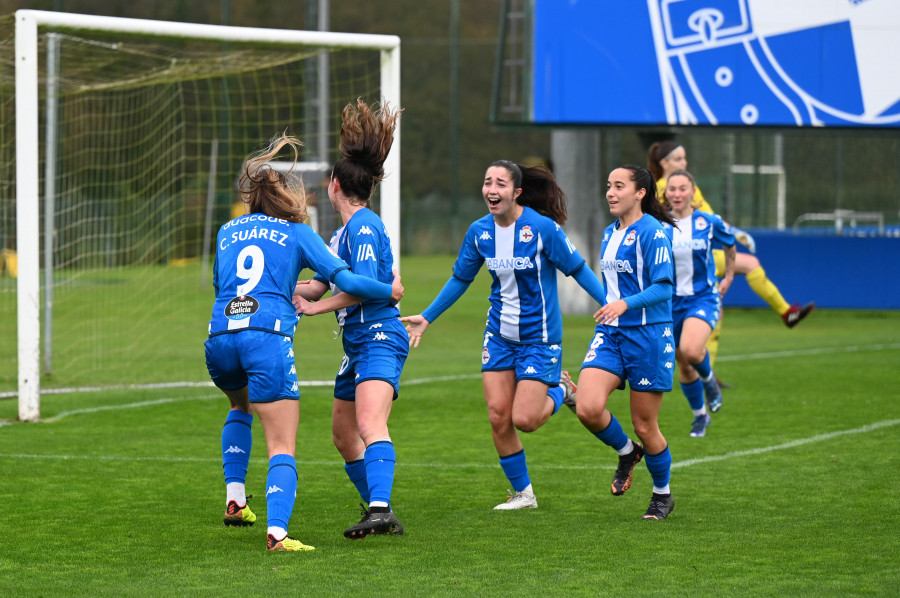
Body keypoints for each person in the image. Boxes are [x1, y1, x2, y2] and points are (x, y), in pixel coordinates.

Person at [205, 133, 404, 552]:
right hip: (267, 339)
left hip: (220, 337)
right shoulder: (297, 231)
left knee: (239, 405)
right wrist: (389, 290)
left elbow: (222, 285)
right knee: (282, 445)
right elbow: (347, 280)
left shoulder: (226, 232)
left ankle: (236, 499)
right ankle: (277, 534)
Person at [400, 160, 607, 510]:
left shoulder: (543, 229)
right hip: (498, 335)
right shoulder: (479, 232)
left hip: (539, 337)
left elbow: (578, 270)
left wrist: (611, 306)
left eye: (500, 184)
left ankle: (561, 390)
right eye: (486, 183)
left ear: (516, 192)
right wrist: (428, 317)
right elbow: (461, 279)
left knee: (524, 419)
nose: (491, 190)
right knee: (498, 415)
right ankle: (524, 494)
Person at [292, 98, 408, 539]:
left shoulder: (363, 226)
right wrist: (277, 289)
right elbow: (319, 285)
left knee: (368, 424)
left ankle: (380, 509)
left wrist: (317, 308)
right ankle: (378, 506)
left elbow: (357, 286)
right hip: (356, 344)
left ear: (334, 185)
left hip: (379, 335)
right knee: (344, 434)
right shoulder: (341, 233)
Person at [647, 141, 814, 368]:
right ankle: (785, 313)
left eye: (685, 158)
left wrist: (733, 232)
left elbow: (707, 216)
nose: (684, 163)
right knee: (750, 265)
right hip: (685, 258)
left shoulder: (683, 183)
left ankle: (709, 372)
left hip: (696, 252)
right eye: (678, 159)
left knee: (714, 312)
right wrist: (734, 233)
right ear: (664, 163)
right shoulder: (670, 186)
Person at [571, 165, 676, 520]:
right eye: (608, 186)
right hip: (612, 334)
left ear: (640, 192)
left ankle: (662, 495)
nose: (611, 193)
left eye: (619, 186)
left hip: (648, 336)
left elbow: (664, 286)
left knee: (646, 425)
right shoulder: (609, 233)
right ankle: (627, 451)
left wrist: (624, 304)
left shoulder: (653, 233)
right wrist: (614, 308)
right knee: (586, 407)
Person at [664, 170, 736, 435]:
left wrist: (728, 275)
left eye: (683, 188)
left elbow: (730, 244)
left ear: (693, 192)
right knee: (683, 362)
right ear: (666, 193)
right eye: (673, 189)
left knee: (692, 351)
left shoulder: (708, 222)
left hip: (702, 297)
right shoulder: (659, 224)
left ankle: (710, 383)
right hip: (670, 303)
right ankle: (700, 415)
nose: (678, 194)